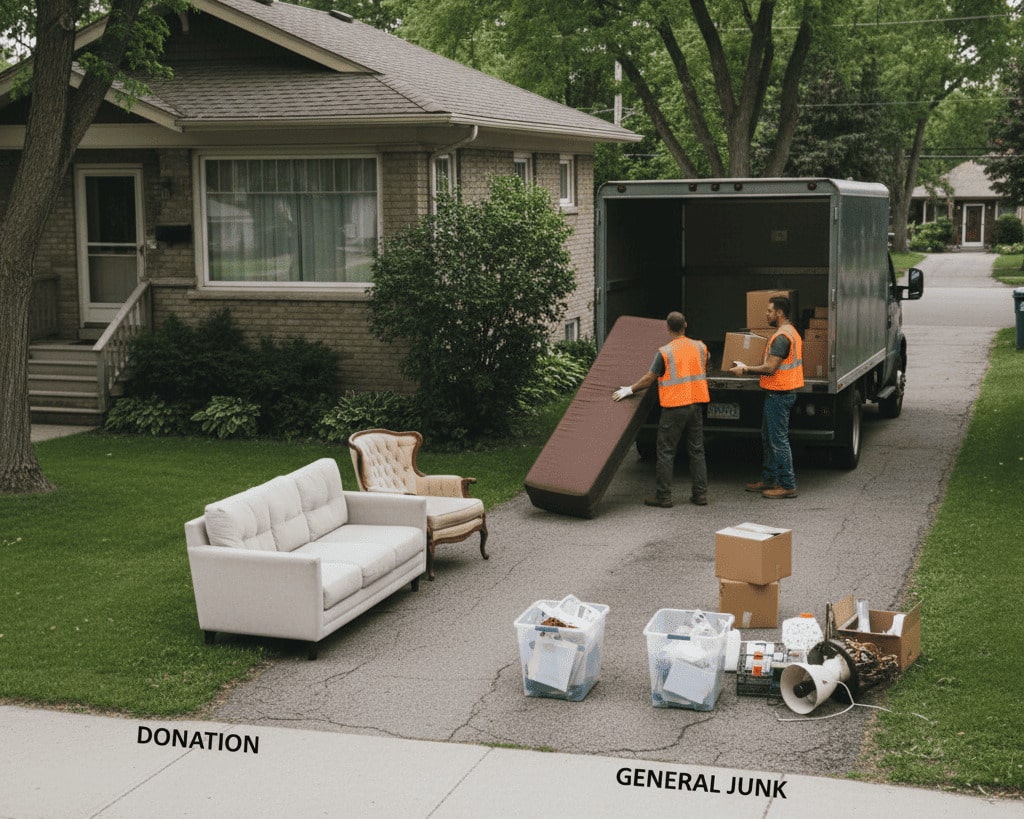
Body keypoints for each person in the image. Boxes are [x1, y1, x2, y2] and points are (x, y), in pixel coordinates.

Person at [613, 311, 709, 508]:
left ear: (667, 328)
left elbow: (650, 377)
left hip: (674, 407)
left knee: (665, 452)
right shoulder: (700, 346)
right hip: (696, 405)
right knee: (697, 450)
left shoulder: (665, 352)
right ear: (685, 325)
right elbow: (703, 363)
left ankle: (663, 496)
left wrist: (629, 389)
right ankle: (700, 495)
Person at [729, 295, 803, 499]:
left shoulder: (782, 337)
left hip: (780, 395)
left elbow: (770, 368)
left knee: (778, 441)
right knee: (769, 439)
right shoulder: (788, 332)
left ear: (779, 313)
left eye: (769, 310)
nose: (766, 314)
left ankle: (787, 484)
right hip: (778, 393)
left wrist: (745, 369)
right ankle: (769, 479)